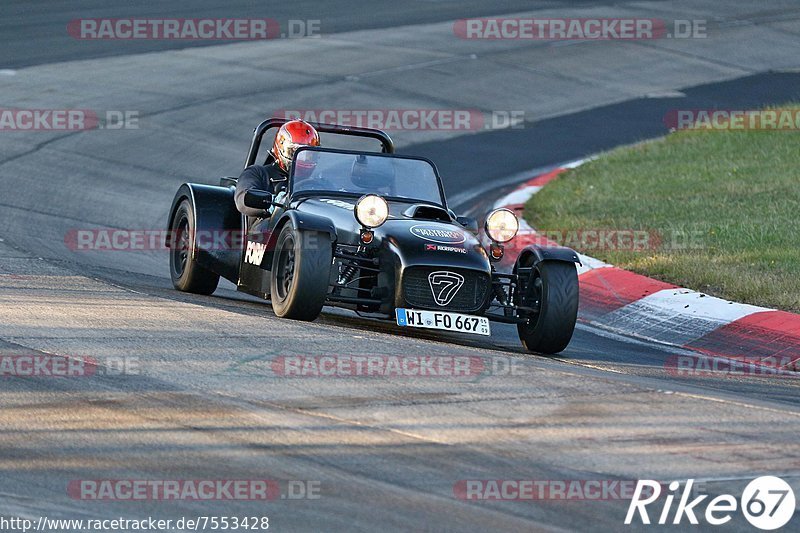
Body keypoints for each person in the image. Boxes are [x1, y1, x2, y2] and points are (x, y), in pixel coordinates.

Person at [234, 119, 320, 218]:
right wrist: (272, 204)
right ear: (281, 149)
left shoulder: (319, 183)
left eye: (309, 155)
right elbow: (243, 199)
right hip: (265, 230)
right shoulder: (258, 173)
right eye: (295, 153)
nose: (303, 159)